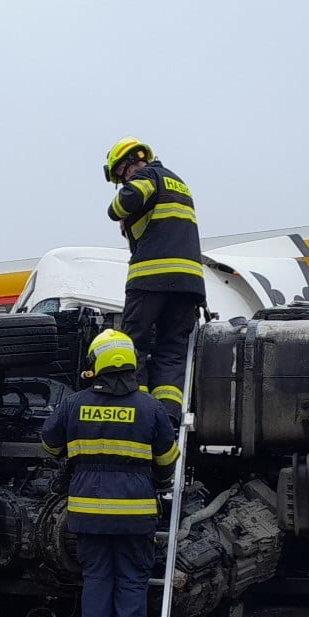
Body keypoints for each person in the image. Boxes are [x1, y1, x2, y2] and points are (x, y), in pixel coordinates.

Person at [41, 331, 179, 617]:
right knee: (132, 581)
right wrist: (159, 485)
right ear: (132, 364)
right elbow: (167, 460)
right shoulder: (150, 407)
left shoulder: (74, 403)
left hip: (88, 516)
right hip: (136, 516)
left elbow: (49, 445)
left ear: (95, 364)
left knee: (97, 581)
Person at [103, 136, 206, 423]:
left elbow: (124, 203)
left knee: (133, 345)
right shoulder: (178, 182)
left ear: (126, 166)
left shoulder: (147, 175)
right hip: (188, 284)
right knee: (172, 352)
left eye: (120, 176)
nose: (122, 182)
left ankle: (139, 409)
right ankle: (168, 416)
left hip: (151, 279)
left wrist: (120, 212)